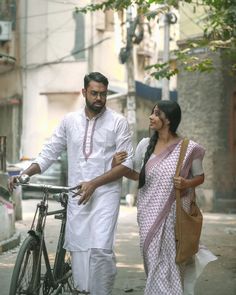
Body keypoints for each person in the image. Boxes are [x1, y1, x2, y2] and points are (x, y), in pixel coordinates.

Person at [8, 72, 134, 295]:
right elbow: (49, 153)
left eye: (103, 94)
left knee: (100, 249)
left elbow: (127, 165)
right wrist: (25, 174)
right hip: (76, 194)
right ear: (84, 92)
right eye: (94, 93)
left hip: (106, 194)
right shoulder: (69, 121)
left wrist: (94, 183)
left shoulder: (118, 123)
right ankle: (84, 291)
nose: (99, 98)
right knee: (79, 249)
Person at [113, 100, 217, 295]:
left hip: (174, 217)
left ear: (168, 120)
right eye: (152, 113)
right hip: (147, 215)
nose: (151, 117)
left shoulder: (189, 148)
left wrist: (187, 184)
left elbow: (200, 176)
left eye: (156, 113)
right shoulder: (145, 145)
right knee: (152, 261)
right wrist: (116, 165)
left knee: (169, 263)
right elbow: (136, 174)